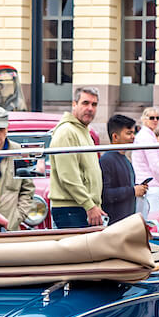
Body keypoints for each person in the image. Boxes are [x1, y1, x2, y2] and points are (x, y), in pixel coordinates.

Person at [49, 87, 104, 228]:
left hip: (82, 207)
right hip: (71, 209)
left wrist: (93, 206)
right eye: (85, 103)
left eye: (94, 104)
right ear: (74, 104)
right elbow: (68, 176)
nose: (90, 108)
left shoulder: (84, 131)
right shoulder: (66, 132)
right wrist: (90, 206)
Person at [99, 114, 147, 224]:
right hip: (114, 226)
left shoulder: (125, 159)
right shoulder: (107, 160)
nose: (133, 137)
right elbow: (105, 195)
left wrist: (138, 188)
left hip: (126, 223)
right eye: (129, 133)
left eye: (133, 133)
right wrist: (133, 190)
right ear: (115, 137)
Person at [133, 107, 159, 207]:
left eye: (157, 118)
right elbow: (155, 166)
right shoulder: (147, 137)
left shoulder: (144, 135)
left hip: (144, 185)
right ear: (144, 119)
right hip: (151, 186)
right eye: (151, 118)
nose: (155, 120)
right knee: (153, 219)